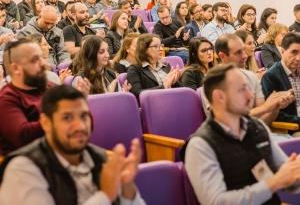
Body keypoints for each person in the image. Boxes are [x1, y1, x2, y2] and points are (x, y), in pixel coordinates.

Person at [0, 85, 145, 205]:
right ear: (45, 123)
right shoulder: (23, 169)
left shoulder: (100, 158)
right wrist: (105, 196)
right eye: (67, 118)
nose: (80, 126)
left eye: (84, 116)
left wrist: (127, 188)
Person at [181, 63, 300, 205]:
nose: (250, 95)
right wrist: (273, 183)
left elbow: (289, 180)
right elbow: (216, 202)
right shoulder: (200, 145)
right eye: (242, 90)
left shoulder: (257, 127)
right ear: (219, 96)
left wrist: (294, 173)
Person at [202, 33, 294, 127]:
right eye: (238, 52)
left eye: (243, 50)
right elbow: (227, 120)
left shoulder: (251, 76)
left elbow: (262, 122)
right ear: (222, 56)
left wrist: (276, 106)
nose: (244, 55)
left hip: (255, 133)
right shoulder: (213, 82)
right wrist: (266, 108)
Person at [261, 32, 300, 129]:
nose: (298, 58)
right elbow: (274, 114)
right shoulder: (271, 76)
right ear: (282, 52)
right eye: (294, 52)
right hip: (291, 128)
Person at [127, 33, 182, 100]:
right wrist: (163, 87)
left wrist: (174, 82)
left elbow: (182, 91)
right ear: (144, 49)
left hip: (172, 102)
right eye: (156, 46)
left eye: (161, 45)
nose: (161, 49)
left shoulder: (165, 66)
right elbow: (137, 94)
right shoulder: (134, 69)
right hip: (153, 107)